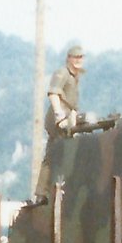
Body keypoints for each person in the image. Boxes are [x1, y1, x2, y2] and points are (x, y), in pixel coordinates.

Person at [36, 44, 87, 201]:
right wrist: (59, 116)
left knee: (64, 153)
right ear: (69, 59)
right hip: (58, 118)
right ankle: (42, 193)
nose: (78, 60)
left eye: (81, 57)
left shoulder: (74, 76)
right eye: (75, 57)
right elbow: (53, 94)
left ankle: (58, 189)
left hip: (68, 116)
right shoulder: (62, 73)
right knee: (53, 154)